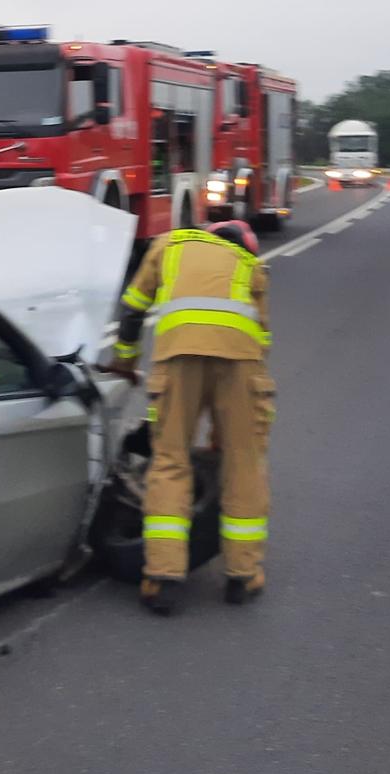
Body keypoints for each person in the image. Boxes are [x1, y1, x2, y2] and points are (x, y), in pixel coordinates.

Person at [108, 220, 274, 615]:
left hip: (178, 358)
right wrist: (226, 430)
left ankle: (162, 579)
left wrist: (126, 362)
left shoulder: (170, 245)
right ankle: (242, 576)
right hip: (240, 364)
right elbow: (261, 344)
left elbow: (132, 310)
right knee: (243, 464)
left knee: (170, 460)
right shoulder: (251, 267)